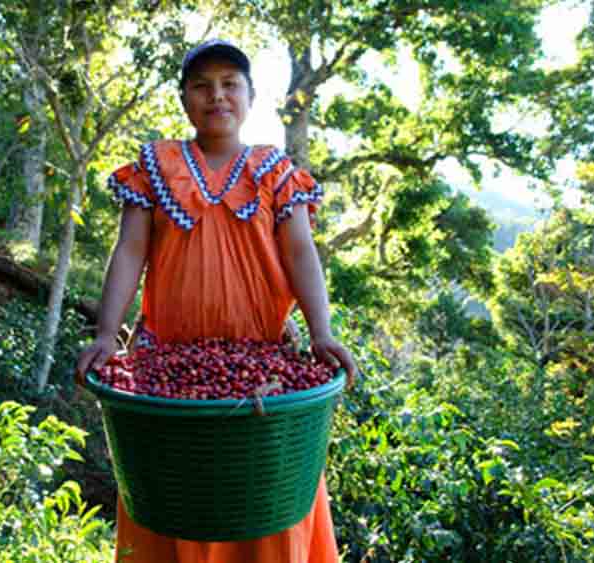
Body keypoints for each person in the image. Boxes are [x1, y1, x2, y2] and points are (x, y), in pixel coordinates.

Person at [76, 38, 358, 563]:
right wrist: (105, 335)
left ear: (251, 98)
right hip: (168, 374)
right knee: (175, 500)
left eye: (231, 85)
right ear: (184, 100)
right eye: (202, 86)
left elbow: (300, 253)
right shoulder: (155, 166)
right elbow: (130, 250)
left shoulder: (274, 171)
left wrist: (321, 333)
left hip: (265, 375)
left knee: (265, 508)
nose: (217, 96)